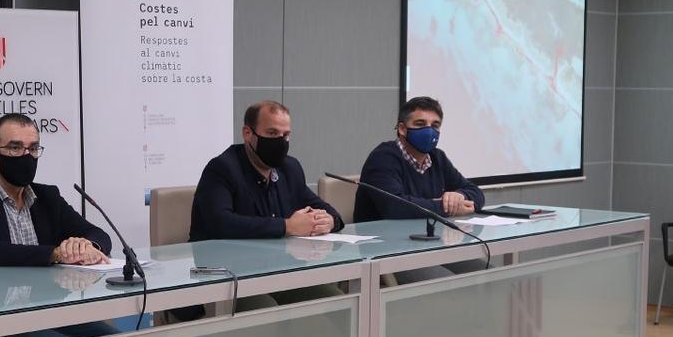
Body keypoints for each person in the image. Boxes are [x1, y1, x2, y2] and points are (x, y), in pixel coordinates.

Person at [0, 113, 118, 337]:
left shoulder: (48, 197)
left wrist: (87, 246)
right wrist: (54, 254)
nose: (26, 156)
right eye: (15, 148)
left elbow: (99, 234)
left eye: (33, 148)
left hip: (49, 311)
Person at [188, 100, 344, 312]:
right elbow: (220, 224)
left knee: (338, 304)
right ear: (247, 133)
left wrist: (329, 221)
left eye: (285, 135)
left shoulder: (290, 168)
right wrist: (287, 226)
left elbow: (327, 210)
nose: (280, 142)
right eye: (272, 134)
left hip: (279, 271)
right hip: (230, 275)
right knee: (268, 314)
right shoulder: (223, 168)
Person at [355, 95, 485, 282]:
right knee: (447, 286)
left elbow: (475, 193)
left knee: (486, 274)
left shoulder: (437, 157)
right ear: (402, 129)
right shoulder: (383, 157)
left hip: (430, 244)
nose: (429, 131)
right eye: (420, 124)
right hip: (389, 250)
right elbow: (395, 206)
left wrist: (459, 195)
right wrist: (445, 206)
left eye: (435, 125)